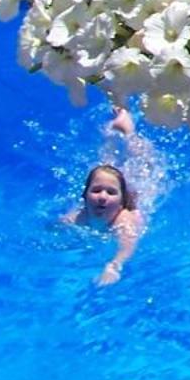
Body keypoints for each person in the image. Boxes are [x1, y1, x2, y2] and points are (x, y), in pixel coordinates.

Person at [63, 108, 149, 286]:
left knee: (143, 163)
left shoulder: (123, 220)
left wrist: (114, 266)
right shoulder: (78, 216)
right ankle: (111, 132)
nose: (102, 197)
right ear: (85, 196)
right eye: (96, 191)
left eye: (111, 193)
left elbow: (127, 246)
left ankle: (129, 131)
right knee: (107, 165)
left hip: (136, 192)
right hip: (117, 189)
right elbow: (56, 227)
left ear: (121, 202)